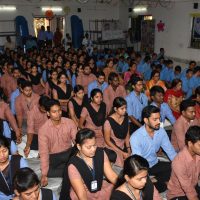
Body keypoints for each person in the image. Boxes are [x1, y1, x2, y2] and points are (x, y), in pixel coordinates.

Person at [130, 105, 177, 192]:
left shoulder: (161, 131)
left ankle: (155, 180)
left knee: (175, 168)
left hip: (154, 163)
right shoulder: (136, 137)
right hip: (141, 168)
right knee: (144, 187)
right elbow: (138, 163)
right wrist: (144, 178)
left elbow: (171, 152)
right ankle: (156, 183)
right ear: (146, 120)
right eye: (155, 119)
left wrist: (180, 167)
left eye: (159, 118)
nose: (159, 122)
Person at [65, 128, 118, 200]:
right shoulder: (73, 165)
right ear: (79, 146)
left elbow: (111, 175)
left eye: (94, 145)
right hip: (85, 192)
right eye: (89, 147)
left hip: (100, 187)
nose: (93, 149)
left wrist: (126, 186)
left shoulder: (101, 153)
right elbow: (81, 193)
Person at [38, 99, 77, 186]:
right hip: (54, 157)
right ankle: (71, 170)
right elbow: (44, 153)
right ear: (48, 113)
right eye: (54, 112)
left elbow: (76, 140)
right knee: (48, 172)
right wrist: (44, 174)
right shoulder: (43, 130)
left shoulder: (69, 122)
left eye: (59, 110)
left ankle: (71, 168)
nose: (58, 113)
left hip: (68, 153)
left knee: (78, 156)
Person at [167, 126, 200, 200]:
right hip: (178, 194)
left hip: (193, 187)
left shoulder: (198, 154)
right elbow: (187, 188)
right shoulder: (179, 162)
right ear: (190, 144)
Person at [103, 97, 130, 167]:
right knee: (121, 164)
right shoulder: (108, 122)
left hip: (123, 145)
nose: (125, 110)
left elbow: (127, 134)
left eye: (125, 108)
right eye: (122, 108)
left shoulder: (125, 116)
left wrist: (128, 148)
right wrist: (121, 152)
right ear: (115, 109)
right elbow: (107, 140)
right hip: (112, 146)